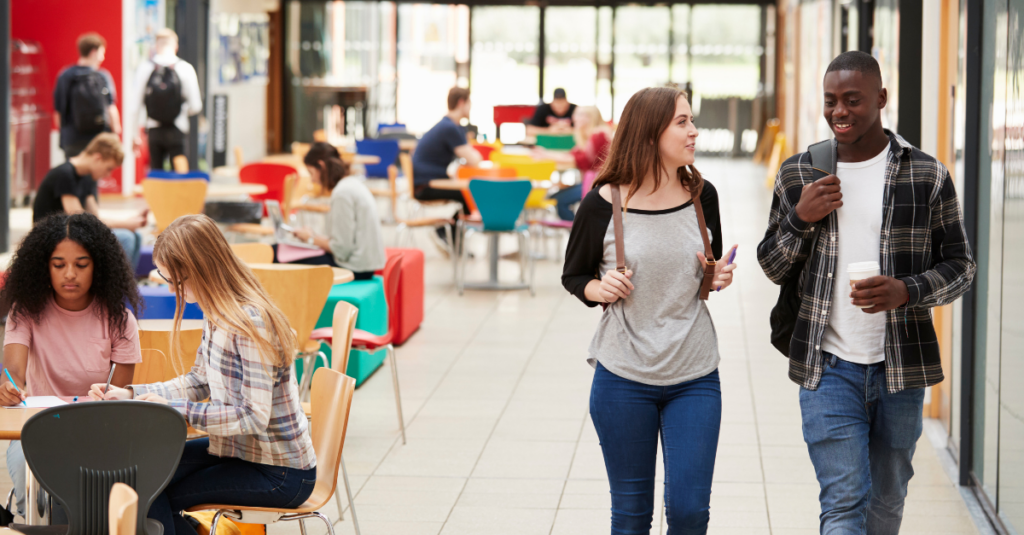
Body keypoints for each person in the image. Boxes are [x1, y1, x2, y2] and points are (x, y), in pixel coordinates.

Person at [756, 51, 976, 534]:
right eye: (831, 101)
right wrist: (801, 218)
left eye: (853, 100)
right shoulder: (800, 173)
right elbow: (772, 266)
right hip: (827, 364)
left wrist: (907, 290)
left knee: (887, 500)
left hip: (902, 366)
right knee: (843, 503)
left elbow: (962, 267)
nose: (839, 112)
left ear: (881, 98)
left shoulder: (926, 175)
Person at [562, 87, 738, 534]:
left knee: (690, 510)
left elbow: (702, 266)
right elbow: (574, 276)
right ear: (650, 131)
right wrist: (598, 288)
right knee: (631, 516)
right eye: (682, 122)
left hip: (694, 374)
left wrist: (712, 277)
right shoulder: (603, 203)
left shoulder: (703, 194)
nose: (694, 131)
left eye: (691, 120)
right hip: (623, 376)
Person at [89, 214, 316, 535]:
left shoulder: (250, 324)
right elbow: (197, 381)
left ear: (200, 271)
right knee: (137, 472)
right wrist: (131, 394)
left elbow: (253, 417)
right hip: (240, 451)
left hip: (279, 472)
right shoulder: (217, 311)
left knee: (147, 491)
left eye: (173, 280)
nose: (169, 288)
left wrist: (174, 410)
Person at [0, 212, 143, 521]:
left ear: (99, 266)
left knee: (90, 501)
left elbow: (116, 397)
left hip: (98, 432)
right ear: (43, 267)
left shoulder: (120, 320)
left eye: (81, 265)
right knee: (35, 483)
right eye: (58, 265)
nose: (69, 274)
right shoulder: (25, 312)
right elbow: (13, 375)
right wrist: (8, 389)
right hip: (36, 430)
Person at [32, 133, 147, 271]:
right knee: (126, 238)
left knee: (137, 236)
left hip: (70, 232)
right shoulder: (65, 174)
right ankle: (113, 289)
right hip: (50, 237)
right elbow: (80, 220)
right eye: (108, 168)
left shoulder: (86, 177)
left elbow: (95, 218)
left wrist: (131, 220)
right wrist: (126, 224)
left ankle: (126, 287)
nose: (108, 174)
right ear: (97, 157)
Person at [280, 142, 386, 280]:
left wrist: (311, 239)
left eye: (312, 173)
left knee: (280, 257)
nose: (313, 180)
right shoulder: (351, 184)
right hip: (364, 264)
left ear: (322, 166)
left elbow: (341, 251)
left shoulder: (342, 193)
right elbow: (346, 241)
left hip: (355, 268)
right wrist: (313, 236)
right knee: (286, 252)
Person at [412, 86, 482, 243]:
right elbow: (475, 160)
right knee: (470, 193)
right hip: (425, 185)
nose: (471, 107)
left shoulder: (446, 125)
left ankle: (449, 234)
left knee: (467, 192)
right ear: (461, 102)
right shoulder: (450, 128)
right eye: (470, 103)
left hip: (423, 180)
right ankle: (447, 235)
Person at [130, 28, 203, 170]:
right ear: (176, 46)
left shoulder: (145, 67)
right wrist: (180, 111)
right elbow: (196, 105)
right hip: (178, 128)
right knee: (179, 174)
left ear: (156, 46)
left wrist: (134, 135)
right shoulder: (185, 68)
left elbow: (134, 106)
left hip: (154, 130)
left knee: (156, 174)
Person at [532, 105, 613, 221]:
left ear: (590, 118)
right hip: (592, 182)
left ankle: (578, 232)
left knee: (560, 201)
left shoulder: (598, 134)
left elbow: (582, 160)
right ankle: (578, 232)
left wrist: (546, 155)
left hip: (599, 184)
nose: (574, 118)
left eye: (579, 115)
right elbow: (573, 155)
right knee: (556, 198)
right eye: (575, 114)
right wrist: (545, 154)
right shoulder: (587, 136)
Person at [53, 33, 121, 158]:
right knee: (95, 176)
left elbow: (58, 112)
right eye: (102, 53)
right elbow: (111, 108)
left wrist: (64, 135)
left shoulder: (65, 76)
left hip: (72, 139)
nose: (103, 57)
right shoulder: (103, 76)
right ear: (94, 52)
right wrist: (115, 133)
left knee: (74, 175)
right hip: (98, 139)